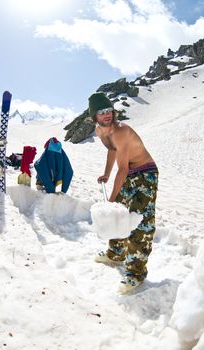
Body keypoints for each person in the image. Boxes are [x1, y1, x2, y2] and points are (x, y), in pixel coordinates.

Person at [88, 92, 159, 294]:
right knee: (119, 214)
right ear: (95, 116)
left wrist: (110, 200)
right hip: (127, 173)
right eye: (101, 112)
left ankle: (136, 273)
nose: (106, 114)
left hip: (145, 173)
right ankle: (116, 252)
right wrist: (106, 174)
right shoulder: (101, 131)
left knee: (140, 221)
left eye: (108, 109)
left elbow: (124, 169)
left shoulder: (120, 130)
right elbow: (112, 151)